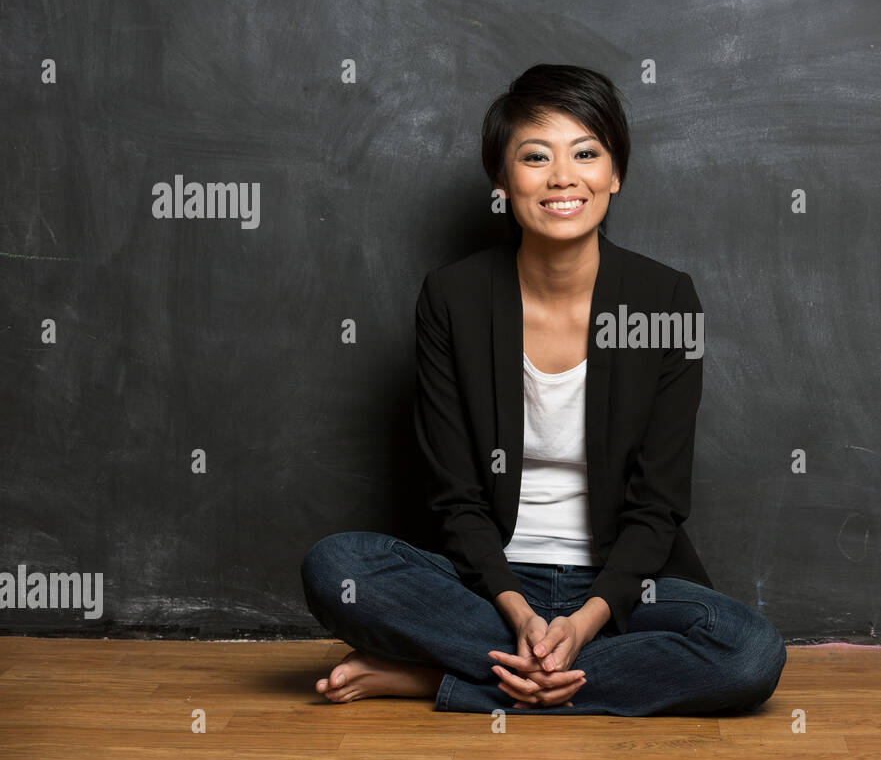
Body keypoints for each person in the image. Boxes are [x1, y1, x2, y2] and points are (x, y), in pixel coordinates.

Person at [300, 64, 786, 715]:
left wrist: (583, 621)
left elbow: (659, 506)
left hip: (623, 591)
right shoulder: (454, 298)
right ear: (502, 181)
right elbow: (457, 498)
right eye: (536, 156)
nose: (563, 177)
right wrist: (520, 612)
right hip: (488, 586)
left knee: (750, 651)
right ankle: (543, 673)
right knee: (336, 567)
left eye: (586, 153)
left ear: (614, 174)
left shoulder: (663, 300)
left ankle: (433, 680)